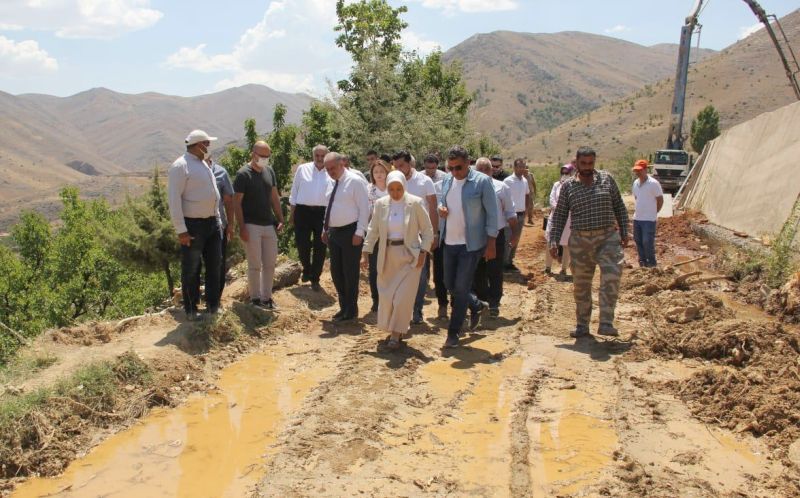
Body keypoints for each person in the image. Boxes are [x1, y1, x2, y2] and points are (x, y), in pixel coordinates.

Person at [549, 146, 629, 338]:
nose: (587, 167)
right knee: (581, 284)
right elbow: (559, 215)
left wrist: (625, 231)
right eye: (583, 163)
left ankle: (606, 323)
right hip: (580, 241)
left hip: (607, 238)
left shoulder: (606, 180)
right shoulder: (568, 186)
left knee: (611, 277)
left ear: (595, 162)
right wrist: (554, 240)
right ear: (576, 163)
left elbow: (619, 206)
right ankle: (582, 325)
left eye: (590, 163)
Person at [362, 171, 434, 349]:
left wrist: (423, 253)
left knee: (402, 298)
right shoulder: (381, 204)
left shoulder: (415, 203)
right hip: (387, 255)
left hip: (410, 256)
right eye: (391, 189)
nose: (395, 192)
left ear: (404, 186)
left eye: (398, 188)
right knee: (388, 296)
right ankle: (396, 328)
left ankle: (395, 334)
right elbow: (373, 230)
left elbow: (427, 231)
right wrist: (365, 253)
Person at [439, 146, 498, 348]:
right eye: (451, 167)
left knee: (461, 287)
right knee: (450, 284)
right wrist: (441, 209)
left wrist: (491, 243)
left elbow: (492, 214)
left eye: (459, 168)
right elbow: (442, 200)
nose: (455, 172)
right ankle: (477, 305)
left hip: (470, 245)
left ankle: (453, 333)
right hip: (449, 242)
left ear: (468, 163)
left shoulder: (482, 182)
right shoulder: (447, 180)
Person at [168, 130, 222, 320]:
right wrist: (181, 230)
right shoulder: (180, 166)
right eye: (206, 144)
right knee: (191, 268)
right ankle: (191, 309)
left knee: (215, 265)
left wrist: (218, 220)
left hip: (212, 224)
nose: (208, 148)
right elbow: (174, 200)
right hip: (193, 226)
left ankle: (213, 306)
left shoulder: (203, 164)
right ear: (199, 145)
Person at [233, 141, 285, 310]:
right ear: (253, 154)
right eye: (262, 156)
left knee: (270, 263)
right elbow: (236, 203)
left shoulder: (269, 172)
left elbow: (274, 197)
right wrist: (242, 227)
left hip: (268, 224)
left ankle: (267, 298)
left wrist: (280, 218)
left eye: (267, 156)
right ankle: (254, 299)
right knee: (254, 264)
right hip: (251, 225)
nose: (264, 159)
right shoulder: (243, 174)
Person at [322, 152, 371, 322]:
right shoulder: (329, 182)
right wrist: (325, 228)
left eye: (333, 168)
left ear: (341, 164)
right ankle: (343, 306)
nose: (330, 172)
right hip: (334, 232)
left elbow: (364, 208)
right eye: (327, 169)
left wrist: (360, 232)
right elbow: (328, 207)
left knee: (350, 273)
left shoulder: (355, 181)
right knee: (336, 272)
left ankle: (351, 309)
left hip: (351, 232)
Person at [392, 150, 439, 324]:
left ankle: (417, 309)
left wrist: (434, 234)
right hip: (397, 235)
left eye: (401, 165)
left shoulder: (424, 181)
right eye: (395, 166)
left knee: (419, 274)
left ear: (410, 163)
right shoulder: (394, 181)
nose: (398, 169)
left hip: (419, 236)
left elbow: (433, 208)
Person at [473, 158, 518, 316]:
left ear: (492, 170)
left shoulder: (501, 187)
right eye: (480, 170)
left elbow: (511, 213)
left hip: (497, 234)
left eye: (487, 169)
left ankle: (494, 302)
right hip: (476, 235)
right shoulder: (470, 188)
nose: (484, 172)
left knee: (495, 269)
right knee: (478, 269)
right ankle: (481, 301)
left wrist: (514, 235)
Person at [289, 144, 332, 291]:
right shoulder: (303, 169)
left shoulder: (331, 171)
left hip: (323, 213)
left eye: (322, 156)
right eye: (317, 156)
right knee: (302, 244)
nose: (320, 159)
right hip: (303, 211)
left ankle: (315, 278)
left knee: (320, 246)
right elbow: (294, 191)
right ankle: (306, 268)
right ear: (313, 156)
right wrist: (292, 213)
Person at [195, 157, 233, 299]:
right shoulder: (190, 172)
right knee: (195, 265)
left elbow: (229, 201)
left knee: (218, 264)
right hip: (195, 227)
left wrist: (231, 225)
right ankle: (194, 301)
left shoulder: (221, 172)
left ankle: (215, 300)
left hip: (218, 226)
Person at [367, 160, 391, 312]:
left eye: (382, 171)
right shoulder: (369, 190)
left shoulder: (393, 188)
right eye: (376, 172)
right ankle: (376, 299)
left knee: (389, 268)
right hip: (375, 234)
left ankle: (388, 299)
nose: (379, 175)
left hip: (392, 234)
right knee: (375, 269)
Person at [544, 163, 575, 280]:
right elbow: (552, 199)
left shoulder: (575, 186)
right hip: (556, 217)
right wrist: (559, 208)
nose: (564, 175)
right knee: (550, 242)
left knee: (567, 244)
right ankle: (548, 267)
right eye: (563, 173)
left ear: (572, 173)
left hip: (569, 219)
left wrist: (566, 209)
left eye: (567, 173)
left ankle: (564, 268)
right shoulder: (556, 185)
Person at [632, 159, 664, 268]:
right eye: (636, 171)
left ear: (646, 170)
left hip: (649, 219)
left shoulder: (653, 184)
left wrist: (654, 212)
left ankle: (651, 264)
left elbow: (660, 200)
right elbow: (637, 198)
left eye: (640, 170)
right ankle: (642, 262)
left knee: (647, 242)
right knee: (638, 240)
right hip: (637, 218)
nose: (637, 173)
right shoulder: (635, 183)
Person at [503, 159, 531, 271]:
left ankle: (510, 261)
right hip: (510, 215)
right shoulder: (508, 181)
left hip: (521, 214)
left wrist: (526, 209)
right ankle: (503, 263)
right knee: (508, 238)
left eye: (523, 166)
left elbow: (527, 194)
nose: (521, 169)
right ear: (514, 167)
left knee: (516, 239)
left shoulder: (524, 181)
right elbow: (503, 197)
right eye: (519, 166)